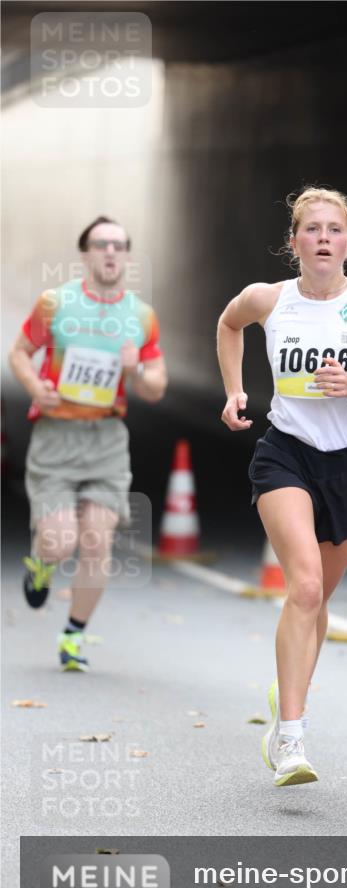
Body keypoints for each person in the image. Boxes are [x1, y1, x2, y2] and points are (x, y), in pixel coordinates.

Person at [217, 186, 347, 787]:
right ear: (295, 242)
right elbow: (230, 325)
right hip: (285, 454)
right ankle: (291, 740)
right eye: (313, 229)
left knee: (318, 602)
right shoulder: (268, 299)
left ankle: (288, 695)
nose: (324, 237)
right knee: (304, 586)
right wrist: (235, 389)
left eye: (335, 229)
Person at [9, 216, 167, 671]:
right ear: (86, 254)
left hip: (106, 439)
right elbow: (19, 353)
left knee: (97, 540)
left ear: (127, 256)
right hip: (57, 437)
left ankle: (74, 636)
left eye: (118, 245)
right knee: (60, 541)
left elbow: (157, 384)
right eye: (101, 245)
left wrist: (136, 369)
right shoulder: (54, 304)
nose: (111, 252)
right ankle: (41, 564)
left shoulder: (140, 316)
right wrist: (36, 388)